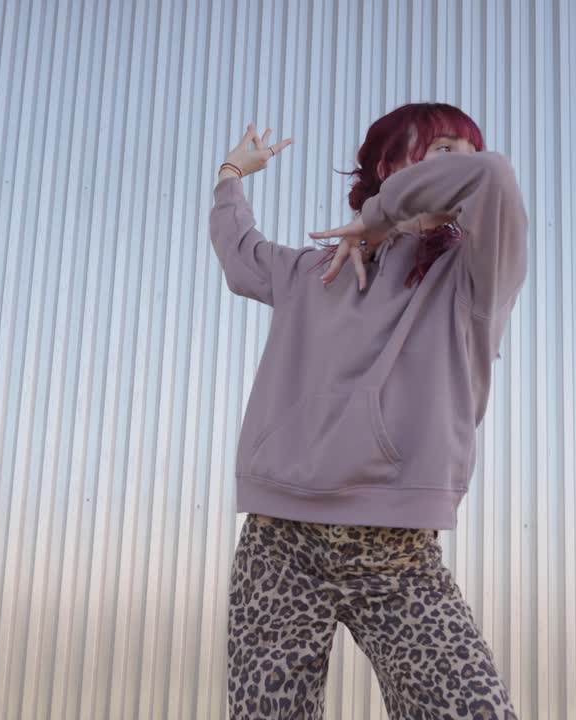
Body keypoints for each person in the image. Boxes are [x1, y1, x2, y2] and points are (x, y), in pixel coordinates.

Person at [210, 103, 527, 720]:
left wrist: (381, 217)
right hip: (281, 540)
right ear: (388, 165)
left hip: (398, 552)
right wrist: (230, 174)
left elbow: (491, 178)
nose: (460, 165)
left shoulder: (472, 275)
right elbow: (239, 254)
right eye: (441, 151)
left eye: (467, 150)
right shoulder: (312, 270)